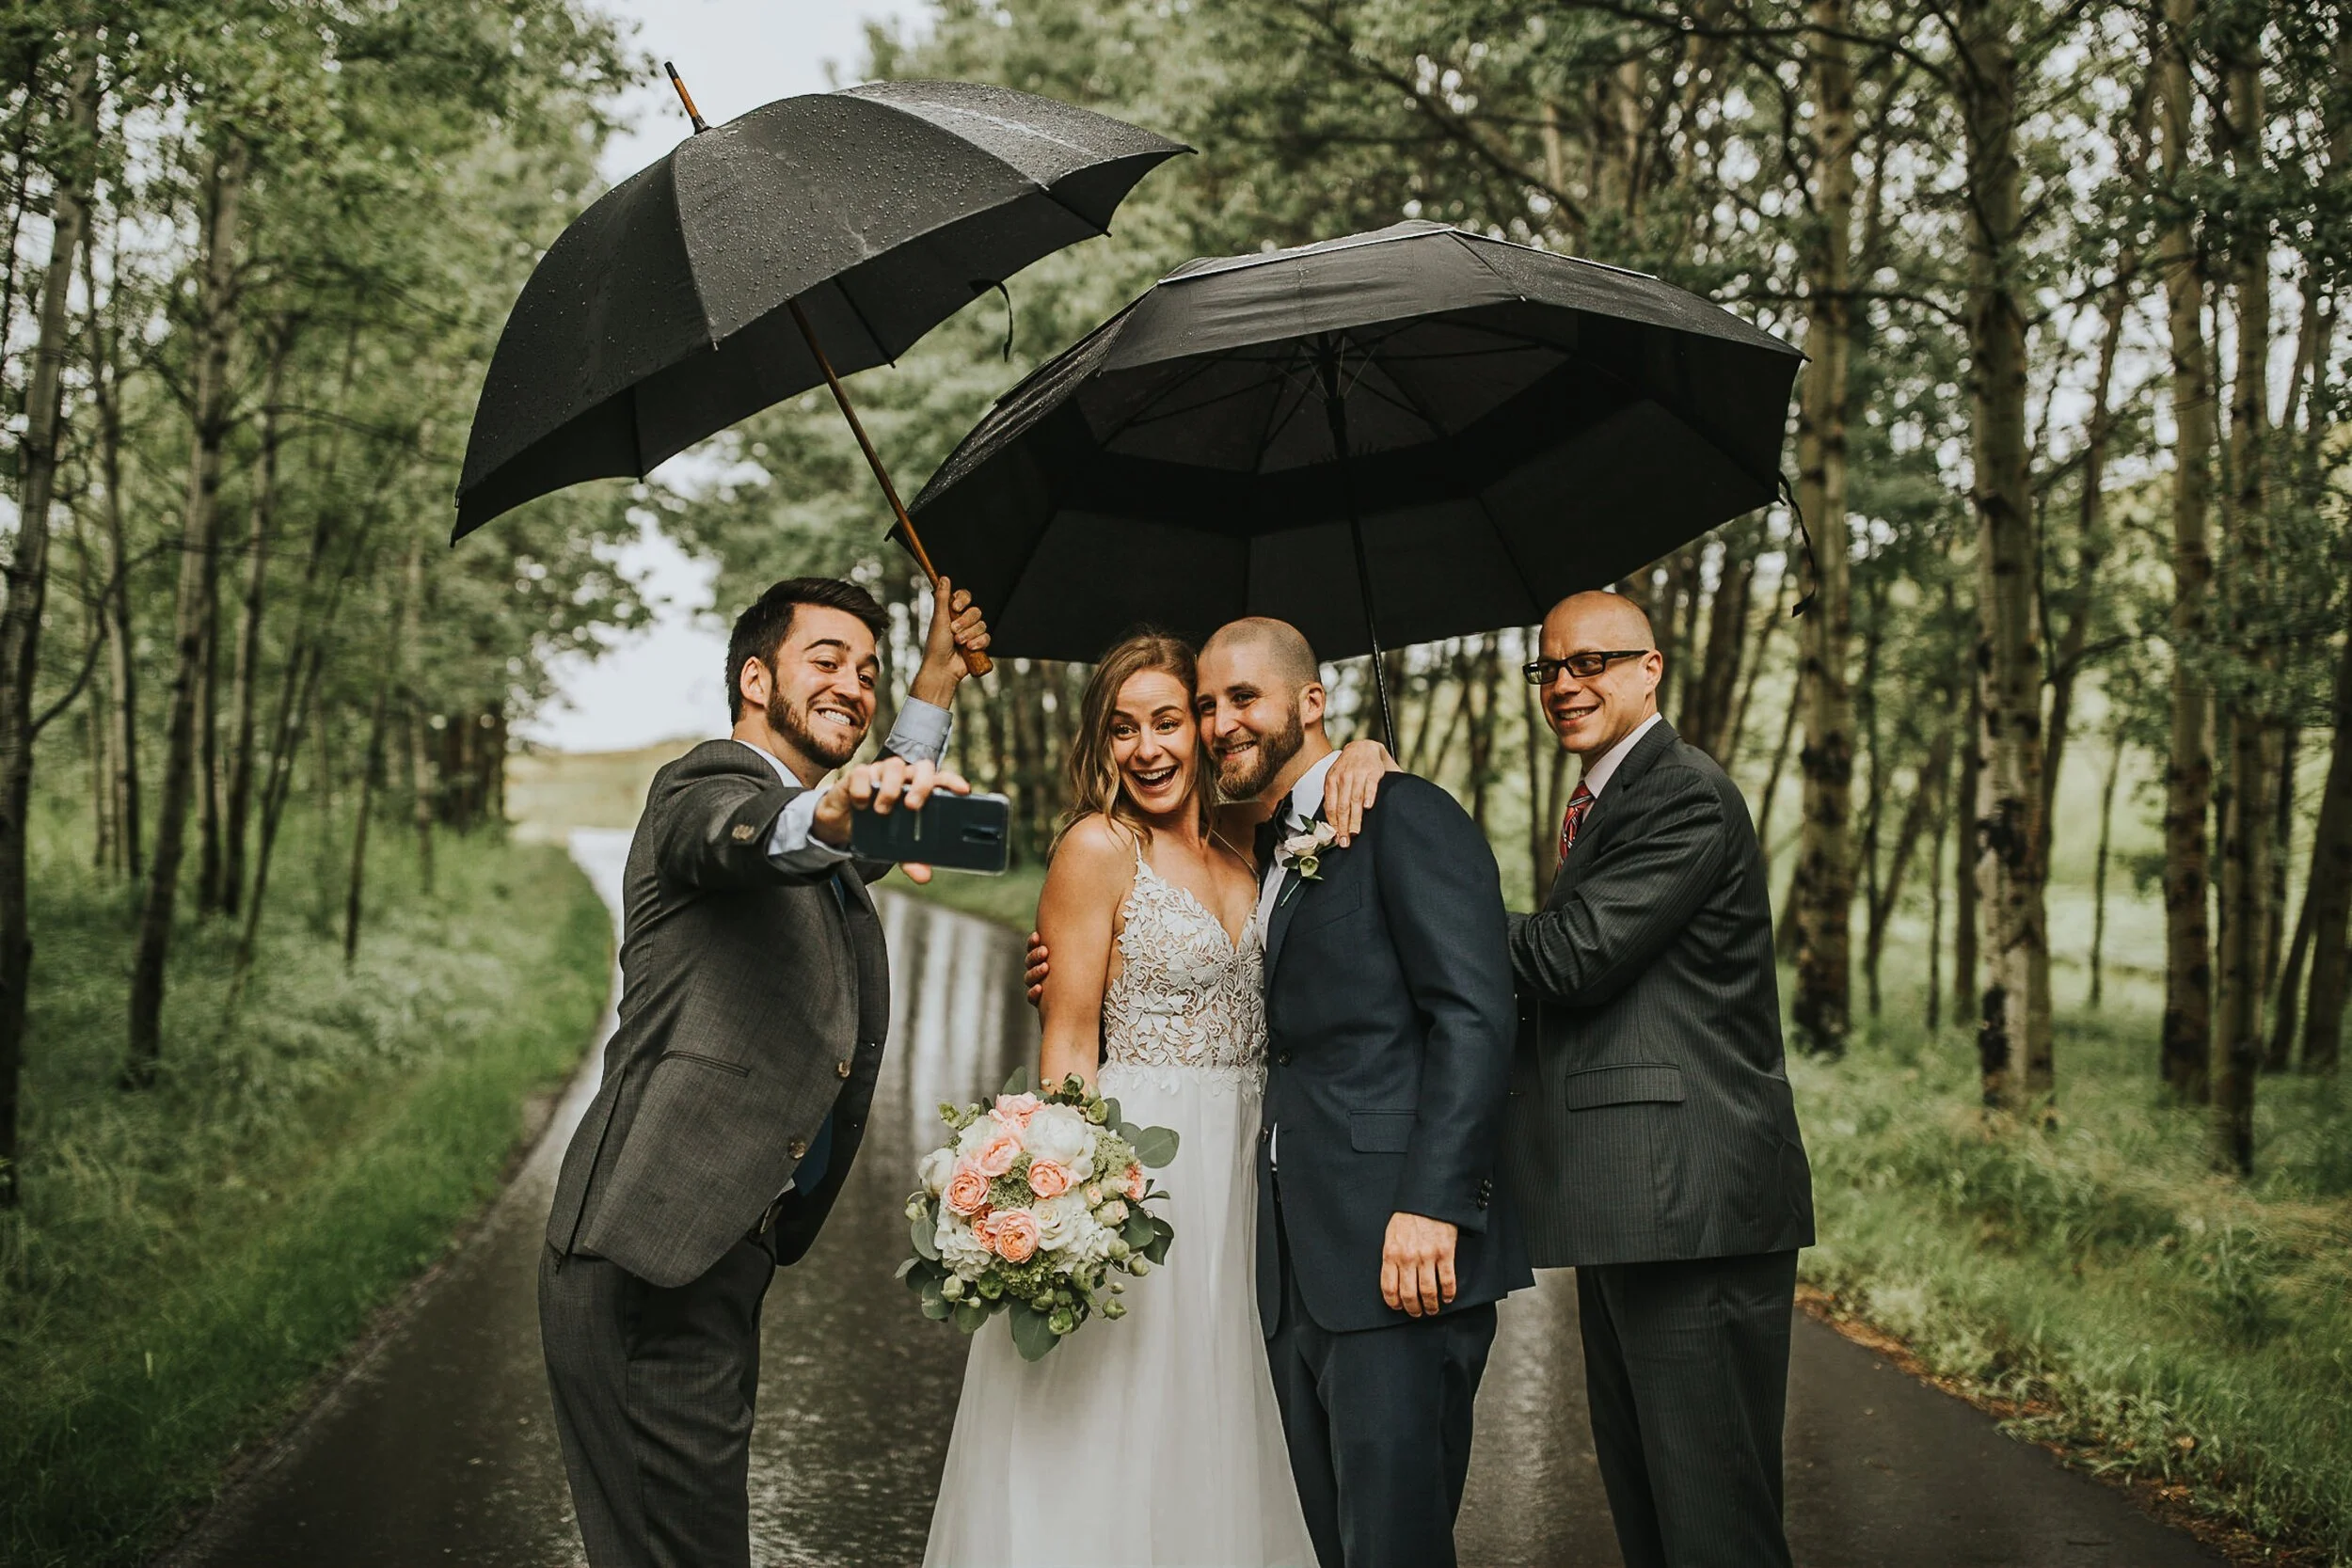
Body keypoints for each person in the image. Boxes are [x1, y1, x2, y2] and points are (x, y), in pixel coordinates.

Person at [1319, 589, 1816, 1568]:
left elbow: (1571, 956)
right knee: (1653, 1506)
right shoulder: (1606, 799)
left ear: (1650, 667)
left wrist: (1413, 903)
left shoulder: (1682, 792)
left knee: (1712, 1518)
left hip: (1692, 1203)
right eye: (1548, 667)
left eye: (1591, 661)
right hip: (1633, 1201)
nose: (1565, 685)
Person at [1017, 618, 1528, 1568]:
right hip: (1266, 1236)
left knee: (1389, 1533)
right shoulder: (1273, 840)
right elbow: (1085, 1021)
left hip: (1382, 1232)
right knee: (1283, 1510)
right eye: (1202, 706)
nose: (1207, 727)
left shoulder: (1383, 813)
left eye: (1223, 702)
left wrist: (1435, 1199)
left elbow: (1475, 1012)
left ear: (1311, 700)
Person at [538, 575, 988, 1568]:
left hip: (714, 1250)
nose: (853, 684)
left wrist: (933, 682)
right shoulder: (700, 790)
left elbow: (850, 823)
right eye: (826, 659)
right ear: (754, 676)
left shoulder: (814, 829)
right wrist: (833, 810)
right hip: (645, 1244)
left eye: (866, 671)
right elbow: (756, 833)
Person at [924, 630, 1317, 1568]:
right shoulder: (1097, 847)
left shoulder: (1256, 842)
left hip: (1249, 1160)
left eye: (1167, 721)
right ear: (1100, 744)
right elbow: (1065, 1041)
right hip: (1145, 1159)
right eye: (1122, 728)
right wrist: (1071, 1193)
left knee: (1225, 1401)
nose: (1146, 748)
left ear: (1205, 726)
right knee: (1117, 1407)